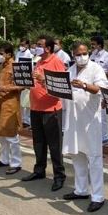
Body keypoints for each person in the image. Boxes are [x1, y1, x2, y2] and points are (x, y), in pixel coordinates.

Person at [62, 43, 108, 212]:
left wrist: (83, 85)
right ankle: (81, 190)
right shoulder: (71, 70)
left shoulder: (96, 69)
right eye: (78, 54)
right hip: (74, 120)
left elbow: (102, 89)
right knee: (77, 155)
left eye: (84, 53)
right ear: (73, 55)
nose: (82, 56)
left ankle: (98, 196)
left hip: (90, 121)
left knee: (94, 158)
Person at [22, 36, 67, 191]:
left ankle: (59, 176)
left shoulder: (56, 62)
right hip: (36, 108)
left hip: (51, 109)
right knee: (38, 143)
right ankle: (39, 170)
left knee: (55, 145)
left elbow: (61, 86)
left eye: (39, 45)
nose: (36, 47)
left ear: (48, 48)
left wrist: (44, 80)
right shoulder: (39, 62)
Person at [0, 43, 23, 174]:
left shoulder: (16, 67)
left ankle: (16, 163)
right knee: (1, 133)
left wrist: (6, 88)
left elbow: (23, 85)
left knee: (11, 134)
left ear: (9, 54)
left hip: (10, 103)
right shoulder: (1, 66)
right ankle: (4, 159)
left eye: (1, 53)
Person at [90, 34, 108, 145]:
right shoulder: (91, 56)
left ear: (99, 45)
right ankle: (94, 136)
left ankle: (105, 139)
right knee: (93, 112)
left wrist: (100, 72)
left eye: (93, 44)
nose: (92, 46)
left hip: (103, 87)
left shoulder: (107, 56)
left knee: (103, 114)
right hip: (92, 87)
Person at [17, 39, 33, 127]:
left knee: (27, 101)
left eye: (23, 44)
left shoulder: (30, 55)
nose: (21, 46)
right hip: (19, 77)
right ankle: (22, 119)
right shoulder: (18, 53)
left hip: (26, 78)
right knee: (21, 100)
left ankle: (27, 120)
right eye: (20, 44)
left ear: (27, 45)